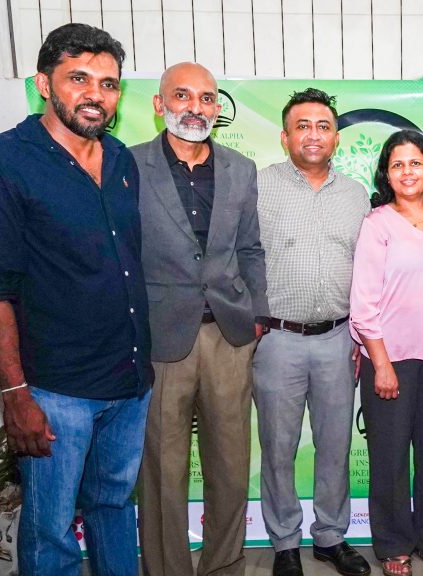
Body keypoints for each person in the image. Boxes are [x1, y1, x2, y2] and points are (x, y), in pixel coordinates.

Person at [0, 23, 152, 575]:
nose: (95, 94)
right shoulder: (3, 161)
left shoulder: (120, 159)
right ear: (43, 84)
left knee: (114, 508)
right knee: (51, 532)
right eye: (79, 79)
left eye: (108, 84)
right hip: (56, 392)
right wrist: (16, 394)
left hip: (129, 381)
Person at [134, 62, 269, 576]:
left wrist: (256, 315)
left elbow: (250, 248)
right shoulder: (128, 164)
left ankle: (223, 566)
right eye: (183, 95)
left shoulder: (240, 168)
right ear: (159, 104)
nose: (196, 107)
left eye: (207, 98)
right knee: (162, 472)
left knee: (231, 469)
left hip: (229, 337)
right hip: (160, 338)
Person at [253, 88, 372, 576]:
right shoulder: (258, 186)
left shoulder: (356, 194)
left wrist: (362, 335)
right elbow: (238, 256)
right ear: (285, 137)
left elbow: (369, 269)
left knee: (335, 446)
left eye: (323, 126)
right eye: (302, 126)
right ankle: (284, 542)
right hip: (276, 339)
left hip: (338, 339)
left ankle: (331, 537)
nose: (313, 134)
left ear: (336, 138)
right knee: (278, 448)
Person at [349, 130, 423, 576]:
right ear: (386, 174)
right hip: (389, 359)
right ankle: (394, 544)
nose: (407, 172)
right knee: (390, 455)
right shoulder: (377, 224)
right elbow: (363, 304)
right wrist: (380, 363)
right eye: (397, 165)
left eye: (415, 162)